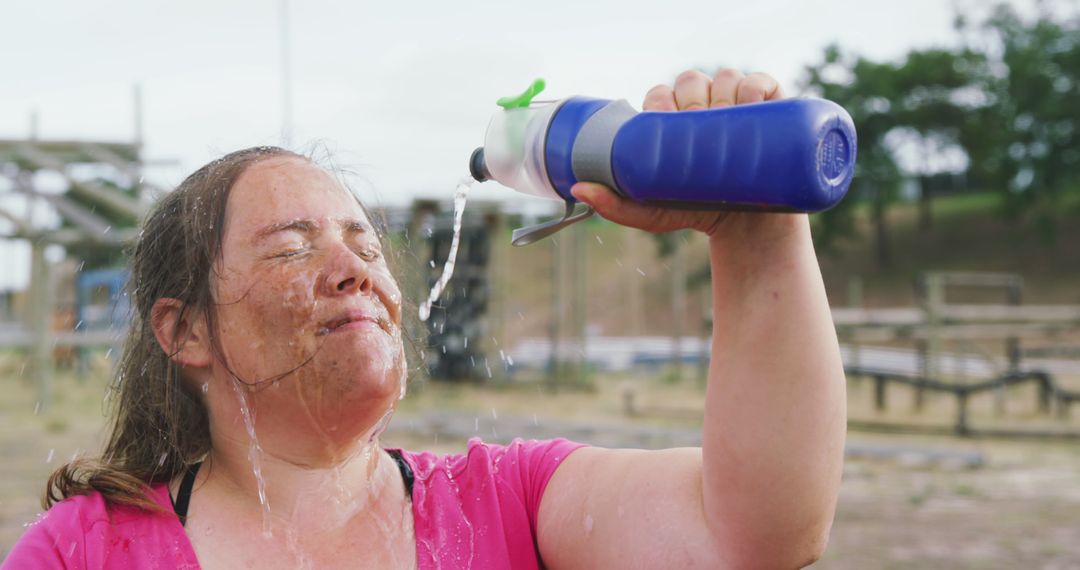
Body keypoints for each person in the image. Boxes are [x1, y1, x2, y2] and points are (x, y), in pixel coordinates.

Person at [4, 68, 846, 569]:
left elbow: (754, 534)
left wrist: (757, 236)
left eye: (366, 247)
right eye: (294, 247)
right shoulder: (87, 549)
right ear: (184, 331)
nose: (354, 272)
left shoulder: (508, 501)